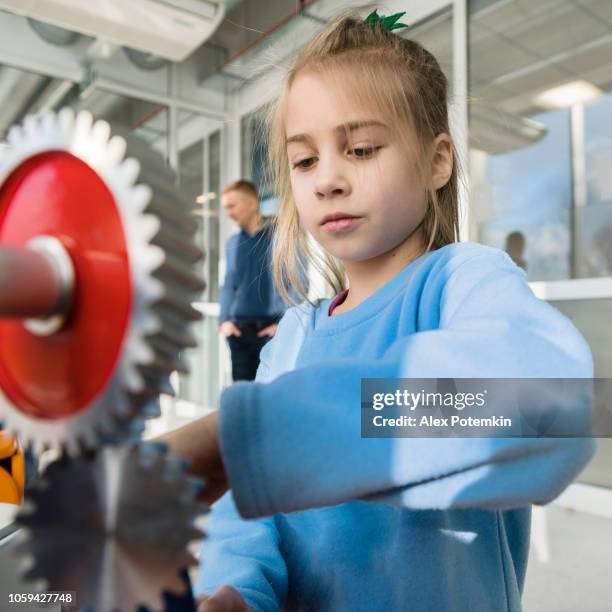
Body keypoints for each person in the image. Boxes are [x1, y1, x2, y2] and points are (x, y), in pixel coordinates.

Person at [161, 10, 596, 612]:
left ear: (437, 161)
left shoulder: (461, 284)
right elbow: (246, 506)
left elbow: (550, 403)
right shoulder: (293, 335)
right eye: (304, 160)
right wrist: (237, 586)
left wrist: (272, 432)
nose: (327, 180)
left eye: (361, 148)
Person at [219, 180, 285, 381]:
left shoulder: (280, 236)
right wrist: (225, 321)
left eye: (232, 206)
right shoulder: (233, 243)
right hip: (239, 333)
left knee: (270, 396)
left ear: (252, 203)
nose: (229, 213)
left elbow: (297, 282)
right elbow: (229, 285)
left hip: (271, 331)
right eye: (226, 208)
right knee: (242, 397)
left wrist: (283, 324)